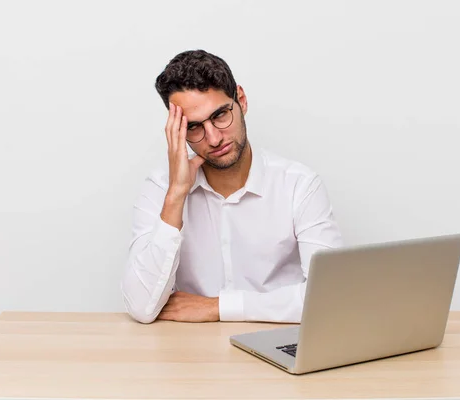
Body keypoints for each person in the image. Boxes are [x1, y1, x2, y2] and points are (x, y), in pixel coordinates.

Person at [121, 49, 343, 324]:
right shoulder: (161, 189)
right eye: (194, 127)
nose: (213, 138)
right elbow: (141, 306)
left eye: (220, 115)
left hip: (277, 345)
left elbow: (330, 297)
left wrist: (218, 308)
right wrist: (177, 194)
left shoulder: (298, 185)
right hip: (190, 353)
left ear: (241, 100)